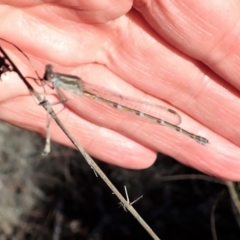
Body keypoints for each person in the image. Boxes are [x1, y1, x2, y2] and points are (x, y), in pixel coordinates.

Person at [0, 1, 239, 180]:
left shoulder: (64, 82)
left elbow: (60, 99)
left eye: (50, 75)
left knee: (145, 116)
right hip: (83, 90)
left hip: (96, 93)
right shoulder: (59, 81)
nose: (47, 75)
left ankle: (192, 135)